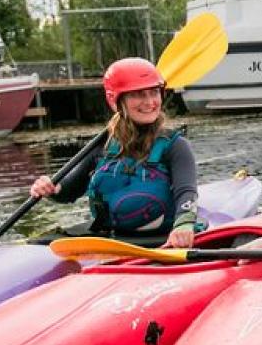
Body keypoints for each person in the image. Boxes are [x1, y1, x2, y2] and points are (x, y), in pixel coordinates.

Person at [29, 58, 201, 248]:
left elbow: (187, 192)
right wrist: (49, 189)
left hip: (163, 241)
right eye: (138, 94)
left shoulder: (175, 146)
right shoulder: (102, 145)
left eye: (154, 92)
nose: (150, 102)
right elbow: (67, 193)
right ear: (116, 100)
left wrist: (184, 224)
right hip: (114, 242)